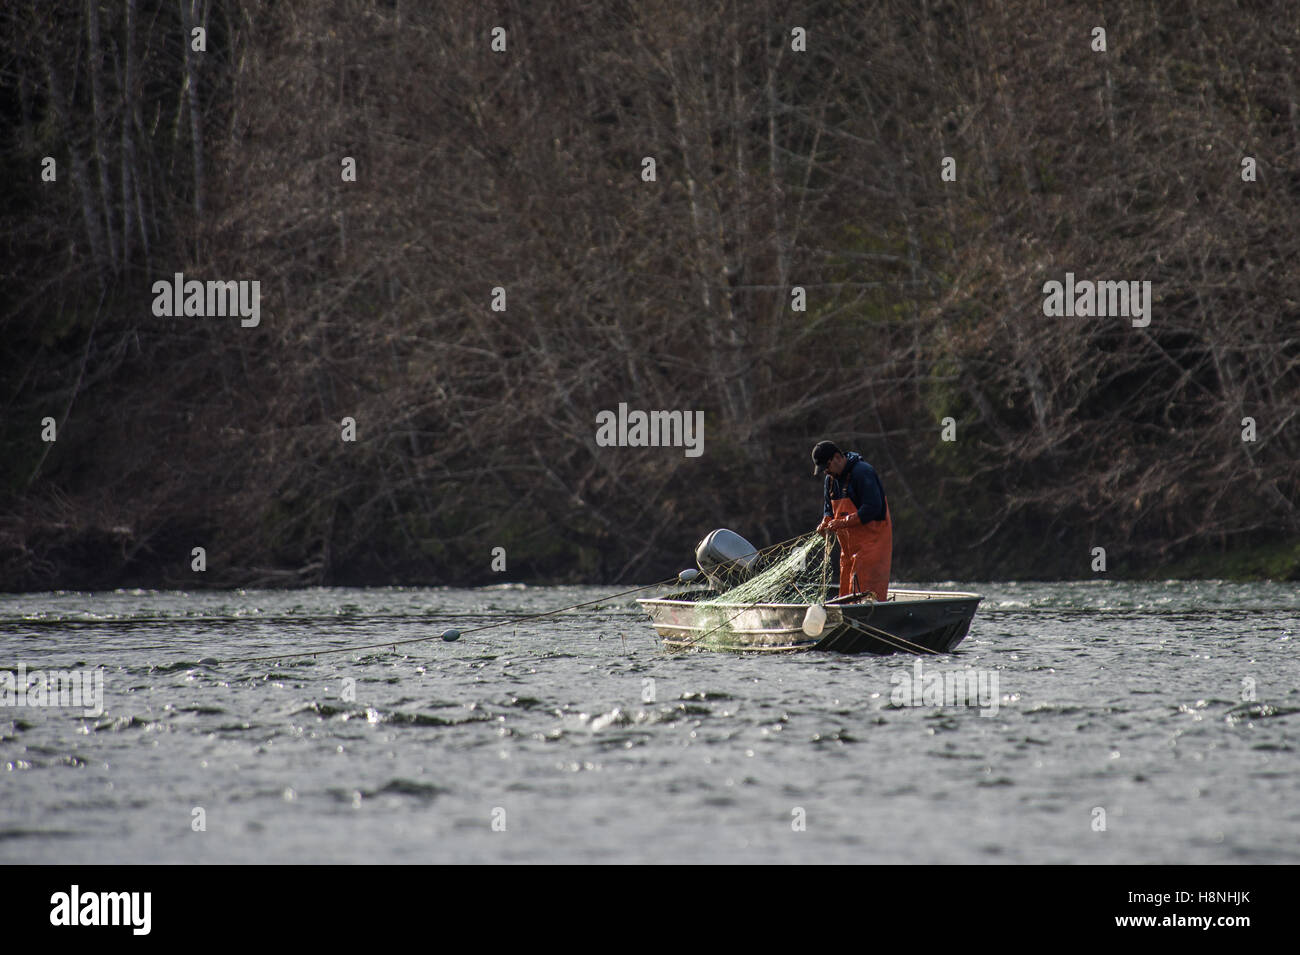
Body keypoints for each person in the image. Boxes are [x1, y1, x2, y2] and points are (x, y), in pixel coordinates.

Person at [811, 440, 892, 600]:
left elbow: (872, 508)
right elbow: (829, 508)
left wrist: (843, 522)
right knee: (847, 594)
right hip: (848, 550)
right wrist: (826, 521)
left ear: (837, 457)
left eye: (827, 467)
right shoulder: (830, 480)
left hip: (872, 545)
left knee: (866, 594)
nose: (826, 472)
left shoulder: (863, 472)